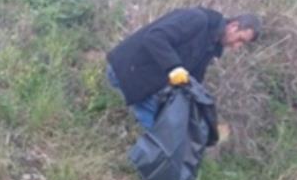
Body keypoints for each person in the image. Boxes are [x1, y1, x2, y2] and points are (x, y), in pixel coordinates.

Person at [106, 7, 261, 129]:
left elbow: (194, 78)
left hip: (150, 78)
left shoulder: (212, 44)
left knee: (172, 130)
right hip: (130, 68)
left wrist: (200, 105)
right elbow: (155, 37)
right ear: (233, 26)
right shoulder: (196, 19)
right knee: (161, 134)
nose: (237, 47)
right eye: (240, 40)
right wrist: (174, 67)